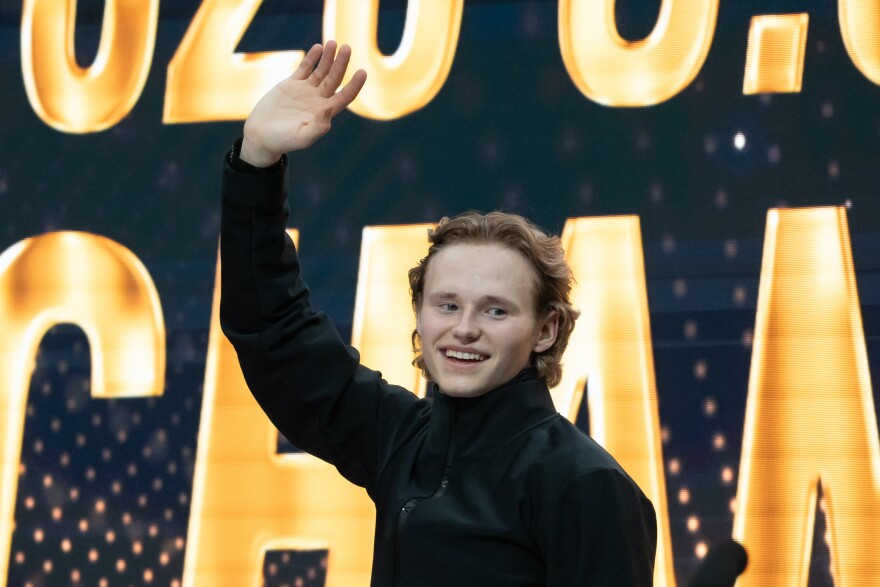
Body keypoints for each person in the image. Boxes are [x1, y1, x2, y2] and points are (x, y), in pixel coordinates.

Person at [220, 41, 657, 586]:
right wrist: (256, 163)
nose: (464, 327)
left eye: (496, 310)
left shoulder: (585, 485)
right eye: (447, 305)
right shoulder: (401, 438)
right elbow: (273, 328)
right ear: (421, 315)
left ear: (546, 330)